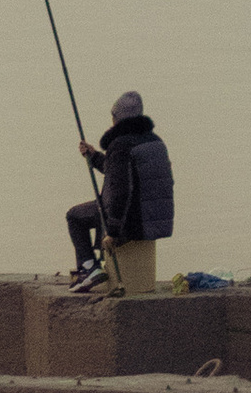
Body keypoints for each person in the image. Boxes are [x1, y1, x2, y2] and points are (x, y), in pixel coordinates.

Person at [67, 90, 174, 295]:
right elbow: (119, 172)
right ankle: (93, 268)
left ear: (117, 118)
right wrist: (94, 156)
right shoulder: (155, 141)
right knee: (98, 207)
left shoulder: (120, 145)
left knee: (75, 216)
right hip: (151, 217)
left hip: (132, 219)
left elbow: (120, 192)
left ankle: (89, 268)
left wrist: (113, 232)